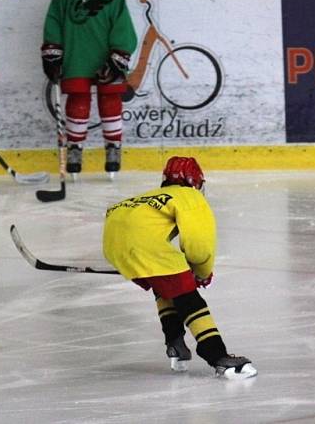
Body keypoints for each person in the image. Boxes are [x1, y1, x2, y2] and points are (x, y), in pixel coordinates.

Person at [102, 156, 257, 379]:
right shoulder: (188, 195)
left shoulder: (148, 196)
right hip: (145, 247)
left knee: (164, 284)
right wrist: (202, 272)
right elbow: (199, 243)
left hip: (114, 246)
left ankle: (175, 344)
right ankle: (219, 358)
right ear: (195, 181)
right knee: (188, 298)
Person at [40, 0, 137, 177]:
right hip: (77, 54)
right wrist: (52, 51)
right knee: (78, 101)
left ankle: (113, 147)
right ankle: (75, 147)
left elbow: (122, 24)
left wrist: (118, 55)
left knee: (110, 100)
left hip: (108, 56)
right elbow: (54, 22)